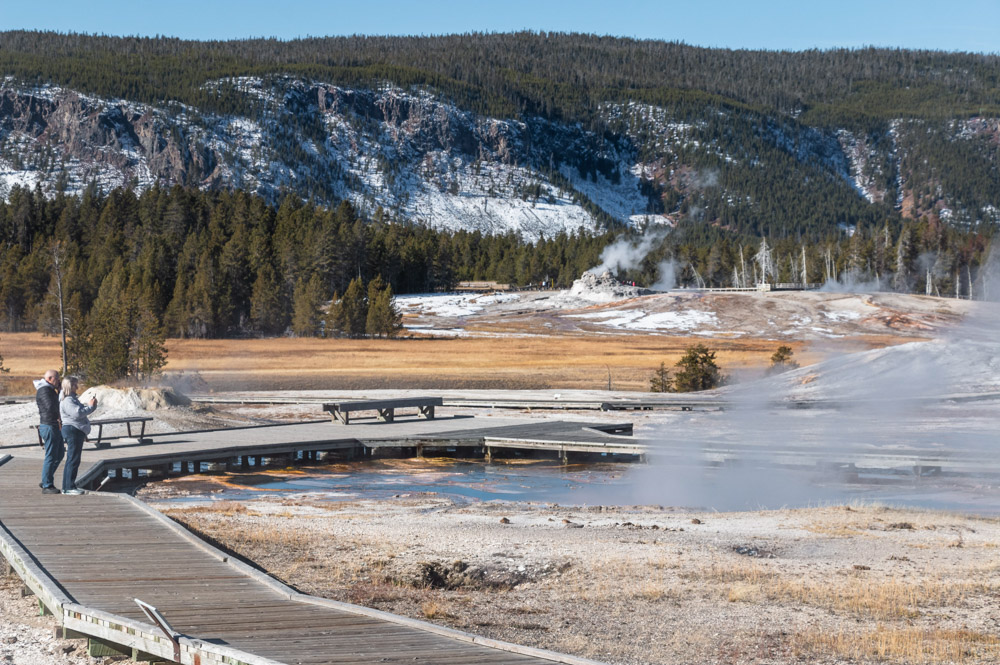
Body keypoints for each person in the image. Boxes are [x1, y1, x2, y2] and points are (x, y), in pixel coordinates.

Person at [59, 377, 97, 496]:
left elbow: (78, 411)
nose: (77, 387)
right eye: (75, 385)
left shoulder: (70, 399)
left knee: (72, 458)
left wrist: (90, 407)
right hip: (73, 430)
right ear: (70, 386)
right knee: (73, 459)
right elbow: (77, 413)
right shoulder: (68, 400)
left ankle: (67, 486)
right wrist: (91, 406)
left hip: (74, 430)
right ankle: (69, 487)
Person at [34, 369, 63, 494]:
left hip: (53, 425)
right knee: (51, 456)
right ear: (50, 378)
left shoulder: (49, 390)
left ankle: (46, 478)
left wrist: (59, 392)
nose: (59, 381)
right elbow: (50, 407)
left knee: (60, 454)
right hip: (49, 425)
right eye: (57, 378)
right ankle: (47, 485)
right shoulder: (44, 390)